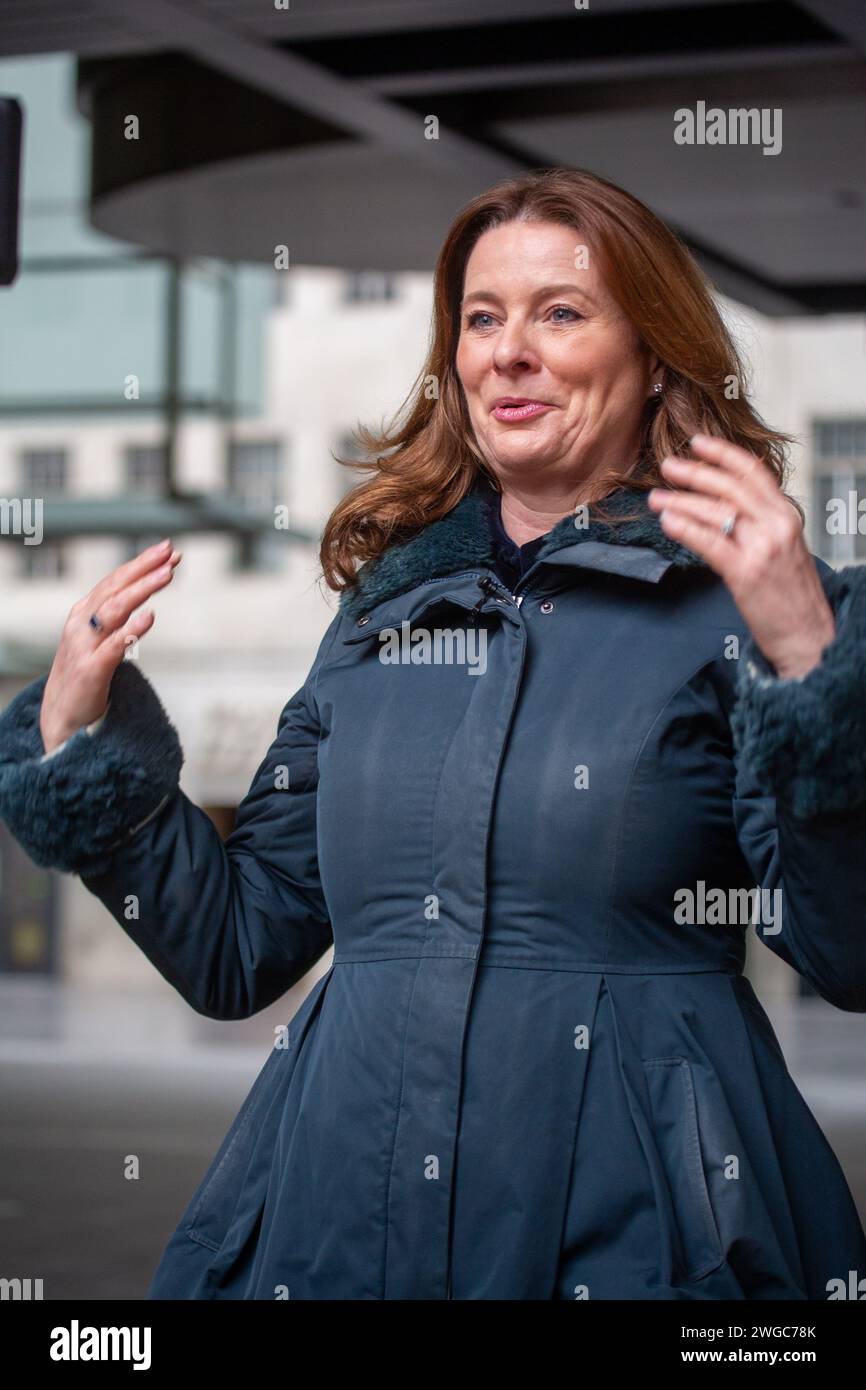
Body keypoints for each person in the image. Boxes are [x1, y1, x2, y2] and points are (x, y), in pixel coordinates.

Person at [2, 166, 866, 1301]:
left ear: (653, 354)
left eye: (559, 312)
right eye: (479, 317)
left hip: (643, 1234)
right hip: (335, 1222)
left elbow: (845, 952)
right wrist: (79, 745)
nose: (507, 351)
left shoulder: (746, 609)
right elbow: (236, 947)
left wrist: (810, 669)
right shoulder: (379, 615)